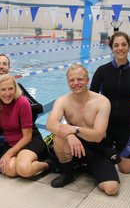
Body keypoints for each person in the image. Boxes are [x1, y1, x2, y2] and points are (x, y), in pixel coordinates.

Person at [46, 64, 119, 196]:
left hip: (98, 147)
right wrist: (69, 135)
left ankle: (86, 167)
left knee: (111, 189)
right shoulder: (62, 100)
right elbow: (50, 124)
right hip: (76, 145)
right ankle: (68, 174)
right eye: (71, 80)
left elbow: (98, 135)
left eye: (79, 79)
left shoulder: (102, 102)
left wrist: (74, 129)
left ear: (87, 80)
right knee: (59, 136)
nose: (76, 83)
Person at [0, 74, 51, 178]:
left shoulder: (22, 102)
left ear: (15, 88)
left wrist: (8, 154)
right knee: (10, 170)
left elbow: (27, 137)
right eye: (3, 89)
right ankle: (24, 160)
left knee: (24, 169)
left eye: (10, 89)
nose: (7, 93)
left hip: (29, 141)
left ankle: (48, 164)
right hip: (11, 143)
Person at [90, 32, 130, 173]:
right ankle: (113, 148)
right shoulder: (102, 71)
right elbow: (91, 98)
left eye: (123, 44)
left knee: (126, 169)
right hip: (105, 124)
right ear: (112, 48)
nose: (120, 48)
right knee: (102, 163)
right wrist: (91, 126)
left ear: (129, 47)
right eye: (116, 45)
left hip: (128, 124)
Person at [0, 54, 43, 122]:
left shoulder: (17, 87)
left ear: (9, 67)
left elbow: (39, 107)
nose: (1, 67)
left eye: (4, 64)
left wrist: (17, 109)